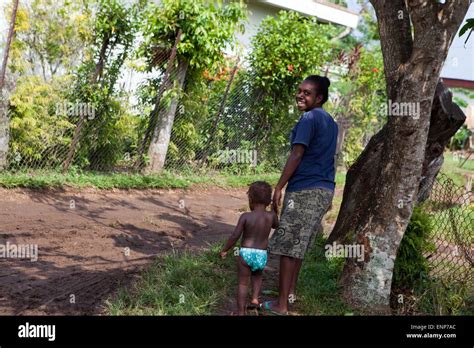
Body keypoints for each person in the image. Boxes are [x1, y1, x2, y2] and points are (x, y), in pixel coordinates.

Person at [261, 75, 338, 315]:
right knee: (299, 245)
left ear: (319, 98)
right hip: (324, 189)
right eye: (299, 91)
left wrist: (279, 186)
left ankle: (281, 305)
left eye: (306, 93)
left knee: (287, 246)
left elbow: (296, 155)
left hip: (304, 188)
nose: (300, 95)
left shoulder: (309, 117)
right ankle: (289, 296)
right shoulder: (331, 122)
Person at [220, 181, 279, 315]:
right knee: (257, 276)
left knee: (242, 283)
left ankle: (241, 311)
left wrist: (225, 249)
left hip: (246, 254)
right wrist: (275, 209)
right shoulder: (271, 216)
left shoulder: (246, 216)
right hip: (261, 255)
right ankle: (254, 300)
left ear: (250, 199)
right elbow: (276, 225)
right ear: (269, 201)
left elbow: (235, 235)